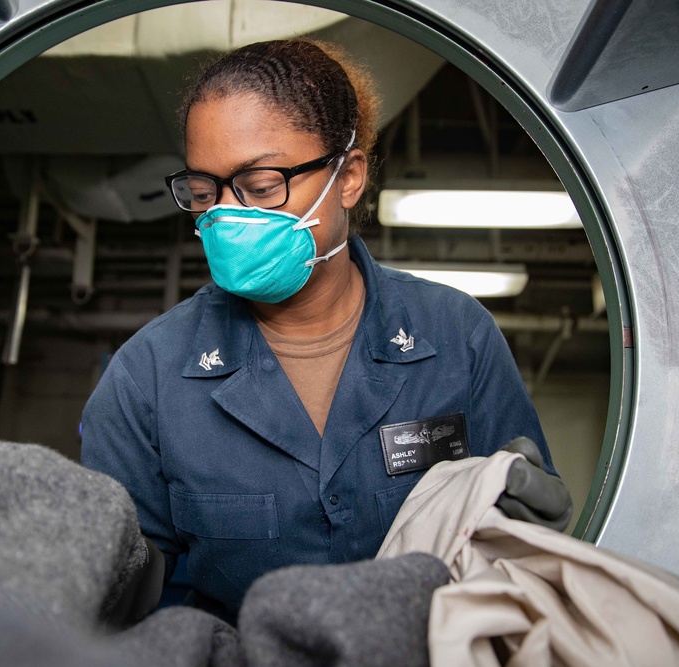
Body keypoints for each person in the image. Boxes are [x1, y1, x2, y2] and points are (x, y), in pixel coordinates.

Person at [82, 39, 560, 623]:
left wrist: (526, 529)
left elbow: (522, 547)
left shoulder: (458, 337)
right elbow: (112, 605)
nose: (229, 216)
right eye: (205, 191)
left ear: (349, 176)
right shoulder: (147, 376)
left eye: (260, 186)